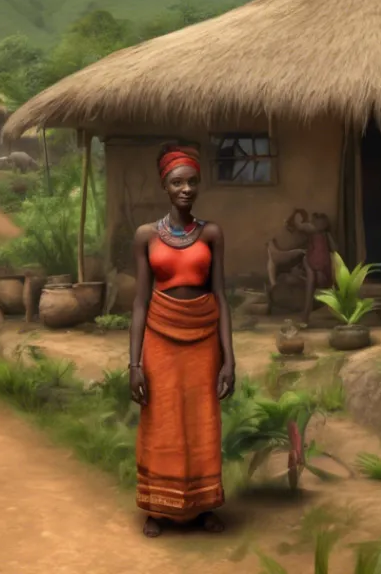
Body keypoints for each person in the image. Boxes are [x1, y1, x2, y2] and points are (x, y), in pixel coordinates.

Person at [129, 143, 236, 538]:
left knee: (202, 419)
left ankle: (203, 505)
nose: (186, 189)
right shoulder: (145, 236)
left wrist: (230, 359)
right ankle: (158, 508)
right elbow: (139, 303)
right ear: (165, 186)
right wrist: (134, 364)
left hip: (204, 337)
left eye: (192, 181)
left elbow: (222, 296)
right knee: (161, 419)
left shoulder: (211, 233)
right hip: (159, 336)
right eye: (177, 182)